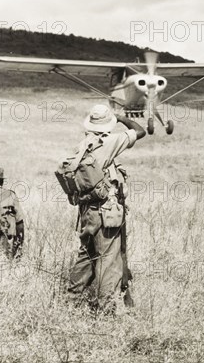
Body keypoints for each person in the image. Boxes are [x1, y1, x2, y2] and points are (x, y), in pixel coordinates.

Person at [66, 104, 145, 314]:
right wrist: (120, 118)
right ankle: (105, 310)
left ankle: (70, 300)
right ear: (108, 124)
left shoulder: (84, 145)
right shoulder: (109, 141)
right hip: (105, 212)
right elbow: (140, 131)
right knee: (108, 260)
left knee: (87, 255)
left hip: (87, 212)